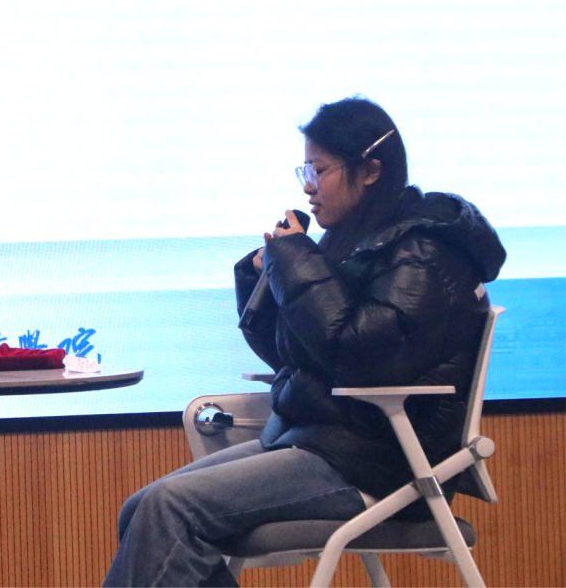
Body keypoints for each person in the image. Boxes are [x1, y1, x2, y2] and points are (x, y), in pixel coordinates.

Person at [101, 96, 506, 588]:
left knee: (170, 508)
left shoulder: (424, 251)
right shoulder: (354, 243)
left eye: (319, 170)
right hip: (319, 442)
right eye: (304, 171)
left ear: (371, 171)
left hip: (378, 461)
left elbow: (359, 356)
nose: (308, 187)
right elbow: (292, 355)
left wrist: (296, 259)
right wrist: (265, 278)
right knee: (141, 508)